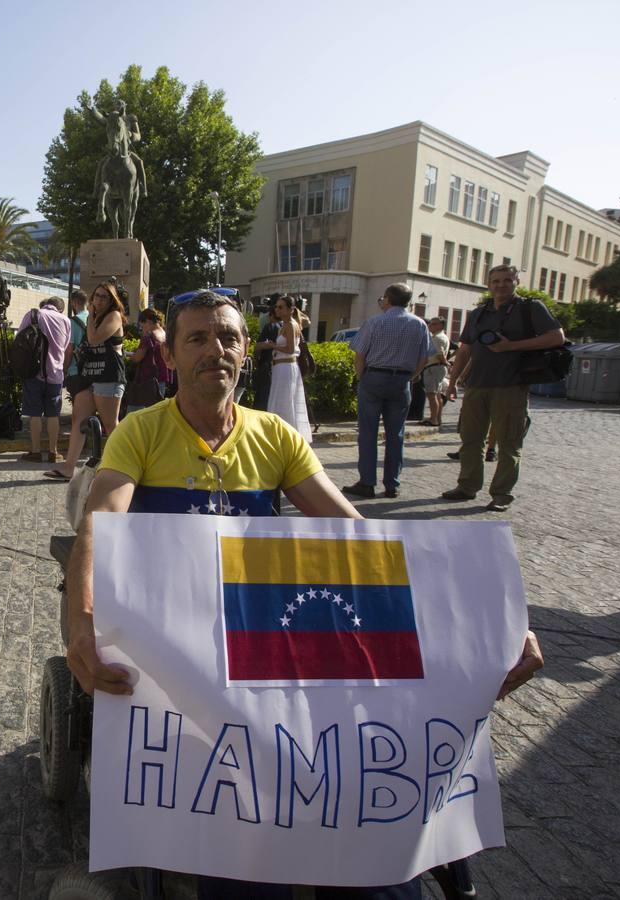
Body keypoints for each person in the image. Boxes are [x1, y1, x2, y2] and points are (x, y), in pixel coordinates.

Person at [64, 289, 545, 899]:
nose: (217, 350)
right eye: (198, 339)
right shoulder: (141, 431)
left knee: (368, 838)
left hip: (264, 634)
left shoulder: (277, 437)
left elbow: (356, 537)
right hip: (183, 649)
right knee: (234, 851)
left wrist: (491, 628)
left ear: (249, 352)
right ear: (173, 356)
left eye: (230, 338)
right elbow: (101, 521)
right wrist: (82, 619)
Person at [441, 265, 564, 512]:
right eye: (496, 281)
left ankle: (501, 494)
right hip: (477, 384)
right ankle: (467, 486)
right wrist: (452, 383)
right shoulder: (479, 313)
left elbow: (557, 337)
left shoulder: (531, 308)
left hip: (511, 385)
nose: (501, 285)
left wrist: (512, 346)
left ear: (516, 282)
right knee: (471, 439)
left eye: (507, 280)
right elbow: (465, 349)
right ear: (488, 284)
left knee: (509, 442)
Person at [342, 284, 433, 500]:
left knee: (368, 433)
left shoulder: (375, 322)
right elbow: (425, 357)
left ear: (388, 299)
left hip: (374, 377)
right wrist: (411, 376)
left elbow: (360, 355)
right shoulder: (419, 324)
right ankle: (392, 484)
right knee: (396, 435)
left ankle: (367, 482)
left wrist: (361, 377)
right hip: (401, 381)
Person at [47, 280, 125, 481]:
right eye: (96, 296)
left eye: (104, 297)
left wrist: (90, 316)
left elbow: (94, 339)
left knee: (110, 424)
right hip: (89, 376)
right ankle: (68, 468)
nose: (99, 300)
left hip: (108, 376)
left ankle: (123, 466)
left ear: (112, 300)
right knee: (78, 420)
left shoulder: (113, 316)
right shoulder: (96, 317)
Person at [16, 297, 70, 463]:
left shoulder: (33, 314)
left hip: (34, 373)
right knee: (53, 414)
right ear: (60, 309)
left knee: (35, 414)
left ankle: (36, 451)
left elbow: (19, 339)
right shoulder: (66, 320)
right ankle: (54, 452)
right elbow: (66, 347)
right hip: (56, 374)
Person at [256, 294, 312, 442]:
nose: (277, 310)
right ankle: (280, 434)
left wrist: (272, 345)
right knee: (281, 399)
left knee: (285, 401)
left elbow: (290, 348)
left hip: (286, 366)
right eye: (276, 307)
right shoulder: (286, 324)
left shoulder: (290, 325)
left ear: (290, 309)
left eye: (281, 307)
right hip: (281, 367)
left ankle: (287, 435)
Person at [126, 307, 170, 413]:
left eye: (142, 325)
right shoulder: (164, 335)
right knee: (156, 413)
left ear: (148, 321)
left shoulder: (148, 337)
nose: (142, 328)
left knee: (134, 413)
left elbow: (137, 358)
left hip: (146, 380)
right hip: (161, 378)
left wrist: (126, 355)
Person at [418, 317, 451, 428]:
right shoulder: (443, 336)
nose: (430, 326)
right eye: (430, 324)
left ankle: (433, 419)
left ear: (441, 325)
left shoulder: (437, 338)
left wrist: (445, 362)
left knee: (432, 394)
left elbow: (439, 353)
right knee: (437, 394)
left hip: (434, 367)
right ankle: (437, 418)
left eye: (433, 324)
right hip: (438, 367)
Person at [252, 300, 281, 410]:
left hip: (267, 365)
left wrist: (256, 359)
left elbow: (258, 347)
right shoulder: (289, 327)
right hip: (282, 368)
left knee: (263, 398)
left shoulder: (270, 327)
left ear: (271, 315)